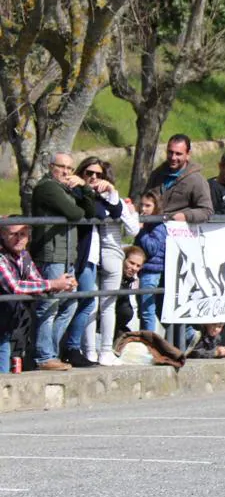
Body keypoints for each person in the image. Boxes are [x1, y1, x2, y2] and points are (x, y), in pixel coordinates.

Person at [29, 152, 98, 371]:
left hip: (68, 256)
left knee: (70, 303)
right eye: (62, 167)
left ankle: (50, 352)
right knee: (48, 305)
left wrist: (85, 188)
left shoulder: (66, 189)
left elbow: (90, 211)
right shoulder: (48, 188)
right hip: (51, 256)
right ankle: (43, 356)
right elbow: (75, 213)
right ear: (51, 167)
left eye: (70, 168)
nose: (67, 172)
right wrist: (77, 199)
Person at [70, 157, 135, 367]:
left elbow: (129, 224)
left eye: (99, 175)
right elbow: (99, 213)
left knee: (107, 305)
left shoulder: (112, 198)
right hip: (90, 253)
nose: (94, 178)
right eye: (89, 173)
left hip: (112, 253)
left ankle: (104, 351)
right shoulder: (82, 194)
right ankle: (90, 350)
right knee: (91, 303)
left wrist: (114, 196)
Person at [1, 221, 77, 373]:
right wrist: (53, 284)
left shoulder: (24, 255)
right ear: (2, 235)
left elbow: (36, 282)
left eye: (22, 234)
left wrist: (62, 285)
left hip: (6, 324)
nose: (18, 238)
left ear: (28, 236)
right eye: (13, 234)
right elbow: (15, 287)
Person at [145, 134, 213, 223]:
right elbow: (146, 200)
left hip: (180, 233)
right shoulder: (156, 175)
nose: (173, 157)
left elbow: (207, 211)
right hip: (153, 231)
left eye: (178, 154)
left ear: (188, 154)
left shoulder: (196, 180)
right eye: (170, 152)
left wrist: (186, 216)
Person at [132, 192, 168, 336]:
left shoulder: (158, 225)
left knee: (148, 309)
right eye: (141, 205)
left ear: (156, 207)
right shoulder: (147, 223)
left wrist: (140, 230)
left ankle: (149, 341)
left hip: (152, 270)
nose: (143, 209)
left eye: (148, 205)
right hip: (144, 269)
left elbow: (152, 248)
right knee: (144, 308)